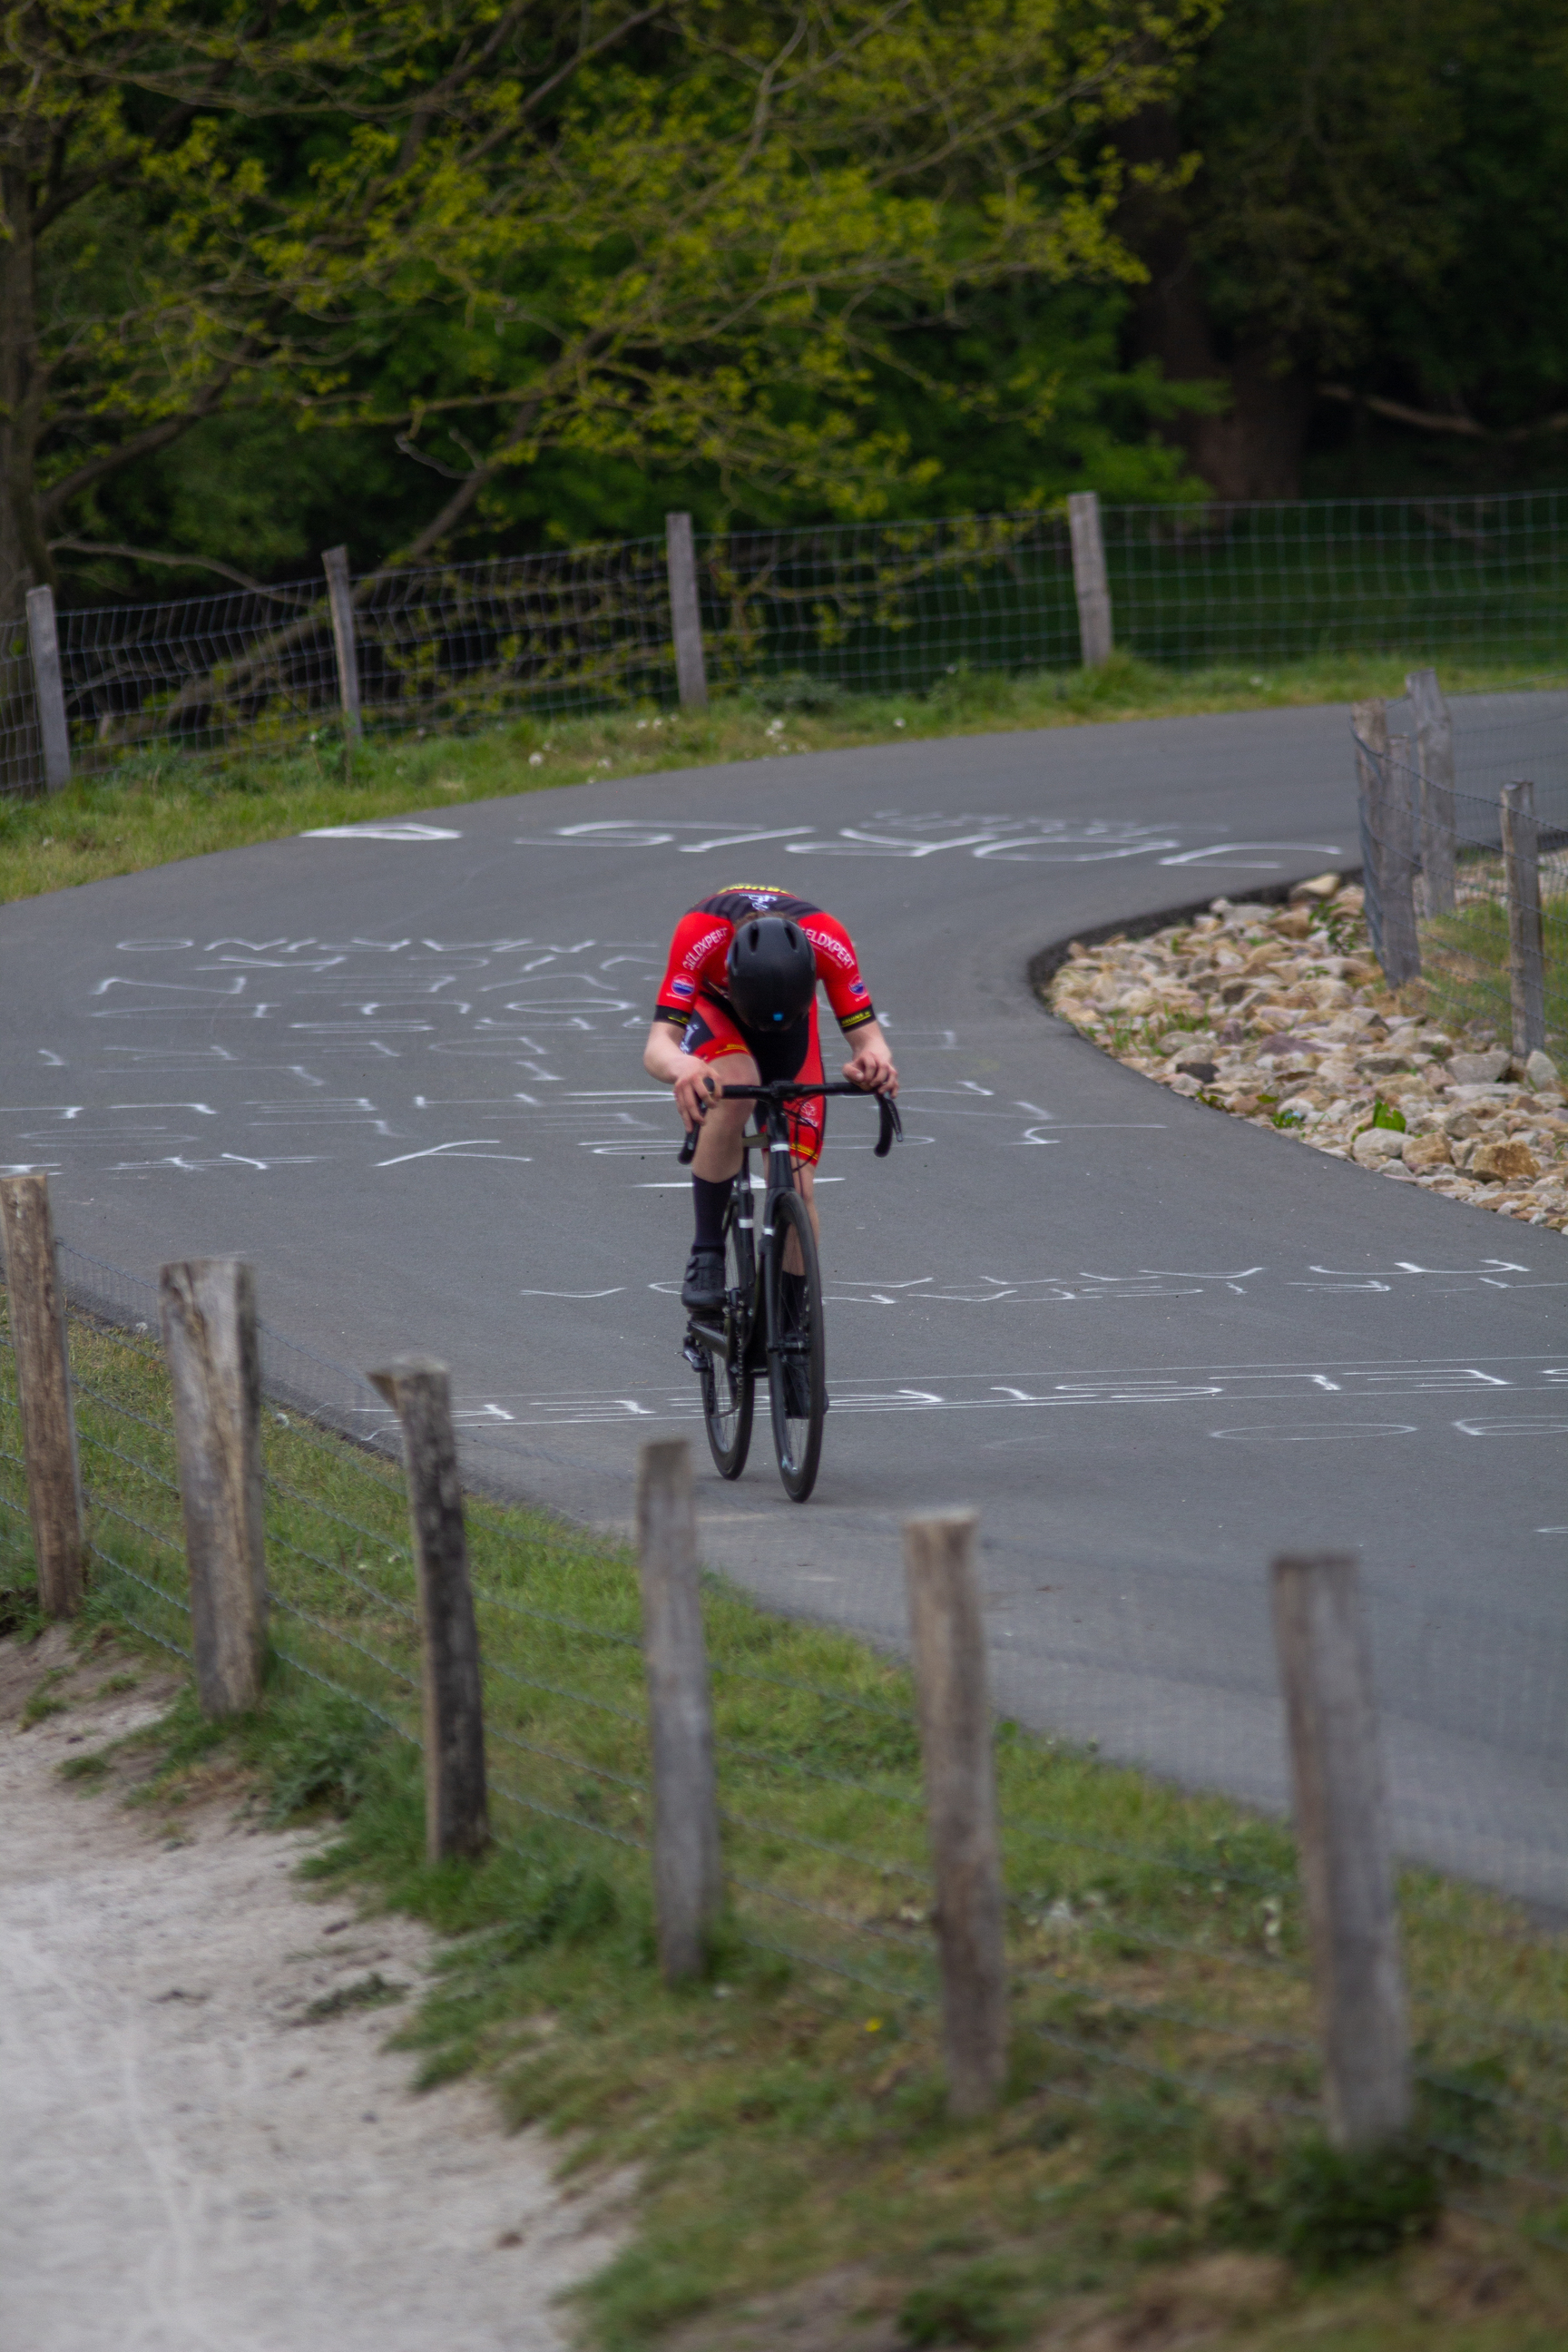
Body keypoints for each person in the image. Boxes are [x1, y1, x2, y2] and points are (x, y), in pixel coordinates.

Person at [643, 886, 897, 1313]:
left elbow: (870, 1040)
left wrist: (873, 1063)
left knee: (799, 1184)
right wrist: (682, 1067)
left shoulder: (829, 940)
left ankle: (790, 1316)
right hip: (718, 1008)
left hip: (793, 1020)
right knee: (737, 1084)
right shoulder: (700, 934)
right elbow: (657, 1046)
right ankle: (707, 1251)